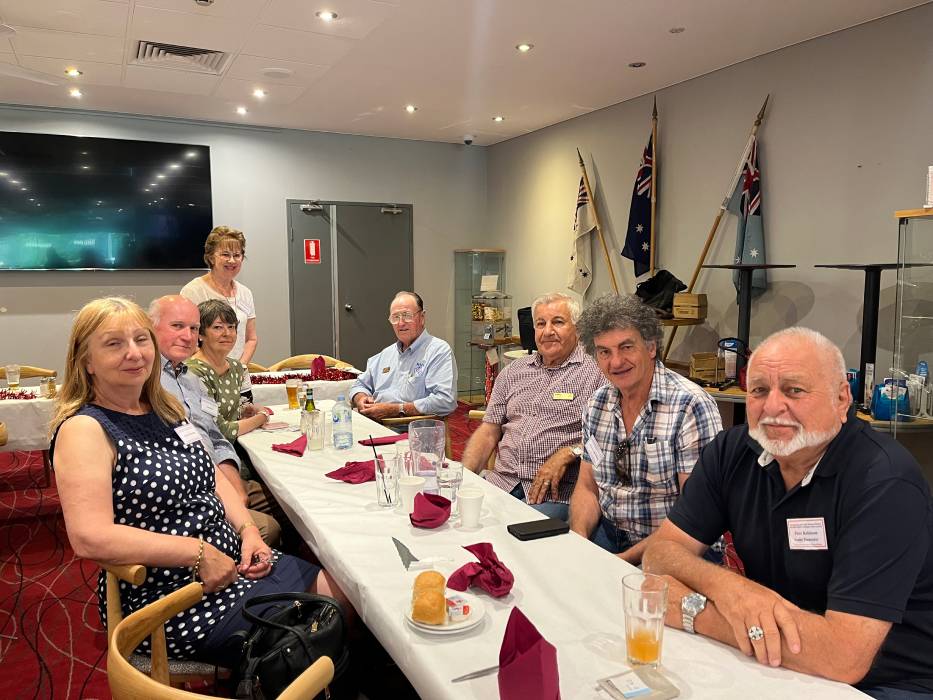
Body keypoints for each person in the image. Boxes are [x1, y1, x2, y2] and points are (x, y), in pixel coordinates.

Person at [49, 297, 349, 662]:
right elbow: (89, 537)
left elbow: (212, 477)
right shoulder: (87, 429)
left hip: (235, 562)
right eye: (114, 343)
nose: (134, 353)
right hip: (174, 593)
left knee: (345, 598)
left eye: (141, 340)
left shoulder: (165, 409)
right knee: (311, 639)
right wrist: (198, 553)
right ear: (86, 361)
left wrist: (248, 531)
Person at [642, 327, 933, 698]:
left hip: (889, 682)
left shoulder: (884, 482)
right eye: (759, 390)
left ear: (842, 399)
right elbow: (661, 553)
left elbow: (844, 658)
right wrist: (728, 587)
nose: (773, 407)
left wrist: (695, 611)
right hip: (781, 661)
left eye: (794, 390)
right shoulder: (732, 451)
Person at [569, 293, 722, 563]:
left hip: (678, 545)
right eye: (605, 352)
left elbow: (697, 514)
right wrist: (579, 539)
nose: (615, 362)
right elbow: (587, 486)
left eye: (626, 347)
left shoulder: (690, 405)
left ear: (651, 347)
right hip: (611, 533)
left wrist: (623, 561)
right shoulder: (597, 404)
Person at [461, 292, 606, 520]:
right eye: (541, 323)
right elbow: (489, 431)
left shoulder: (596, 374)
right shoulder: (514, 371)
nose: (547, 331)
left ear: (577, 329)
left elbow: (607, 440)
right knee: (457, 518)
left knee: (512, 537)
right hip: (502, 482)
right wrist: (464, 478)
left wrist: (570, 452)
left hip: (553, 495)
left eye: (558, 322)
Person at [149, 295, 279, 547]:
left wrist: (233, 485)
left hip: (217, 472)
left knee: (289, 502)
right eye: (177, 326)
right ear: (151, 328)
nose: (188, 336)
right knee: (268, 527)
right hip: (189, 485)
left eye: (193, 328)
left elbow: (214, 436)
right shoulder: (146, 380)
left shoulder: (188, 378)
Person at [349, 291, 458, 420]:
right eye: (395, 317)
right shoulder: (385, 354)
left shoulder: (438, 351)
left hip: (413, 430)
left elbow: (445, 400)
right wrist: (361, 398)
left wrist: (398, 410)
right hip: (376, 425)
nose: (401, 323)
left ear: (422, 317)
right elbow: (359, 385)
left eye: (407, 315)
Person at [186, 300, 270, 443]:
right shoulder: (193, 372)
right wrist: (262, 416)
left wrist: (243, 412)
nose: (227, 333)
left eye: (231, 327)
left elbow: (233, 410)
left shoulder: (237, 368)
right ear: (200, 334)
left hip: (234, 446)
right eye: (218, 327)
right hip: (210, 451)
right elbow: (219, 430)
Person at [181, 225, 258, 364]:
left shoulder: (245, 293)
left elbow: (251, 339)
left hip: (237, 374)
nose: (232, 260)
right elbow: (187, 337)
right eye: (225, 254)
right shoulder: (193, 291)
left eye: (237, 255)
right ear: (211, 258)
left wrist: (238, 368)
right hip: (203, 373)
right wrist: (216, 368)